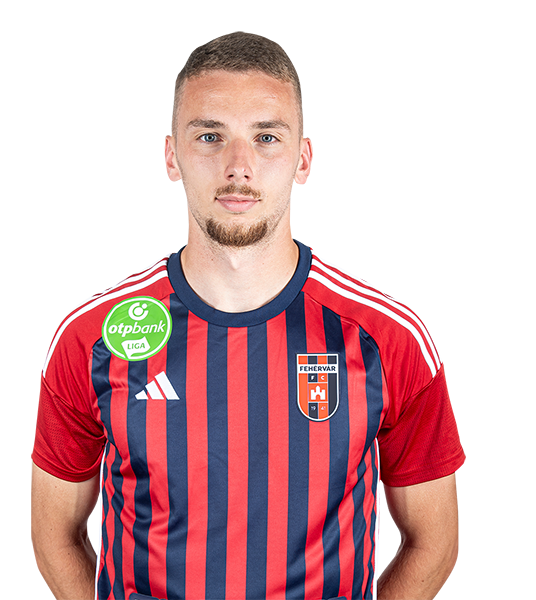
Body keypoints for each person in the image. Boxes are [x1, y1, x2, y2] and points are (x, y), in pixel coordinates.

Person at [31, 32, 463, 600]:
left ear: (302, 160)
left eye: (266, 137)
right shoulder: (93, 337)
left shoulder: (388, 339)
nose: (239, 166)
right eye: (210, 136)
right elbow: (54, 532)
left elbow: (432, 537)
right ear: (172, 155)